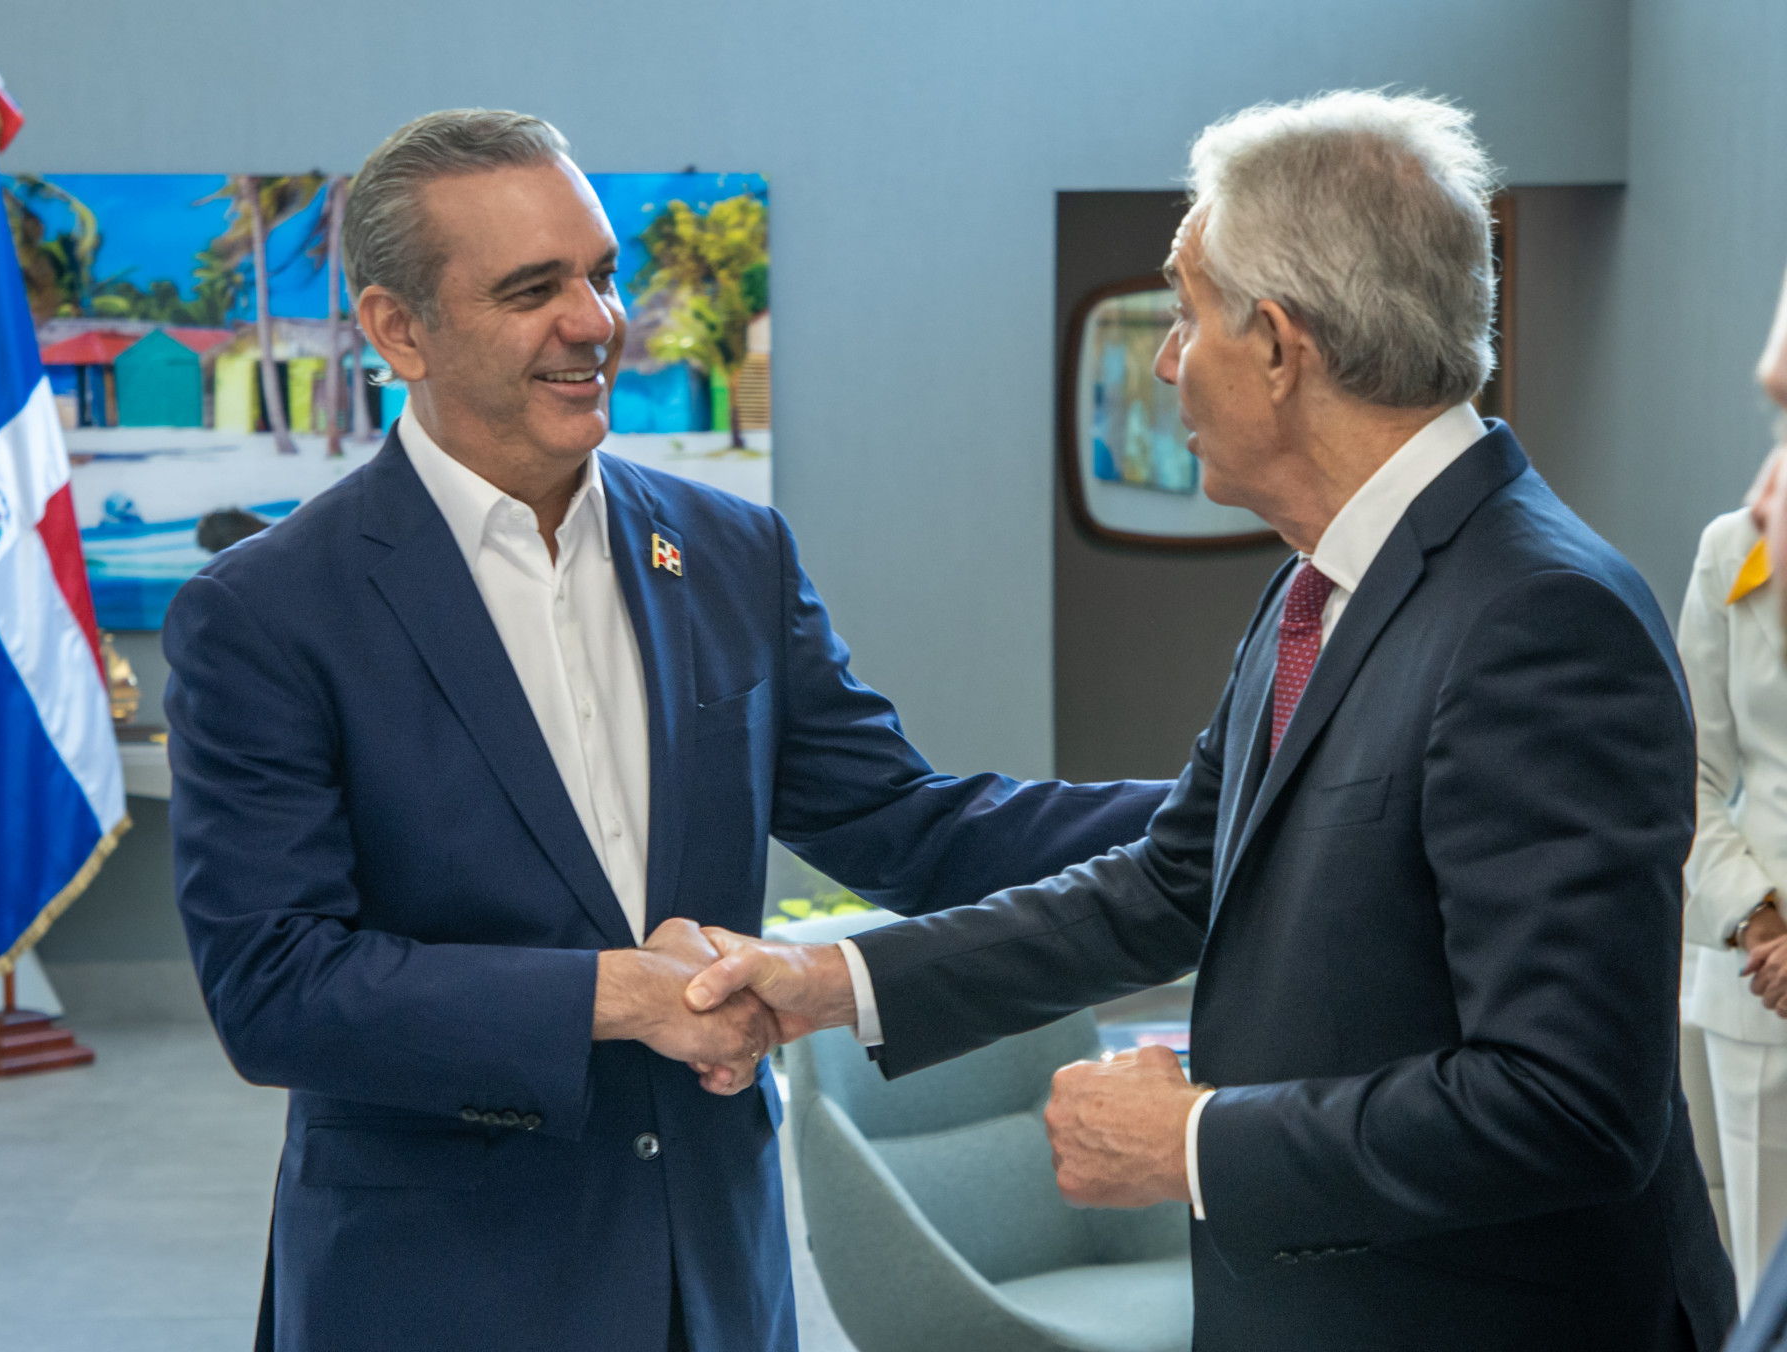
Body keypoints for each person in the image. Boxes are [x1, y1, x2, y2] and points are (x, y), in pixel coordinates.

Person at [682, 91, 1738, 1351]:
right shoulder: (1318, 586)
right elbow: (1173, 880)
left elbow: (1567, 1105)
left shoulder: (1541, 618)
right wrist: (829, 983)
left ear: (1280, 345)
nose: (1168, 360)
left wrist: (1190, 1138)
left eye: (1185, 313)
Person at [162, 109, 1167, 1352]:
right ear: (396, 329)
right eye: (533, 288)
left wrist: (1248, 799)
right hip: (438, 1283)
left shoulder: (733, 553)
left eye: (602, 273)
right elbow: (276, 989)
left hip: (713, 1274)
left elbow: (911, 825)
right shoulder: (266, 611)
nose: (594, 321)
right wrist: (620, 994)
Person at [1679, 445, 1787, 1311]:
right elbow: (1686, 774)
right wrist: (1758, 918)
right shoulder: (1733, 550)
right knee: (1762, 1285)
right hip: (1763, 983)